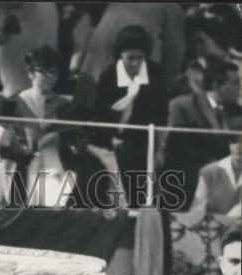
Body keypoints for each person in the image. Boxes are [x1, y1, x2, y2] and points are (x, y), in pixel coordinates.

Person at [94, 24, 168, 208]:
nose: (135, 63)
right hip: (113, 140)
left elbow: (161, 115)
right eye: (130, 58)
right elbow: (100, 117)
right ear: (120, 55)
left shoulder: (156, 75)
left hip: (145, 140)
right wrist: (112, 140)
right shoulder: (108, 77)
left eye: (139, 58)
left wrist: (160, 149)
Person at [166, 61, 242, 208]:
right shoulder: (182, 106)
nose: (240, 88)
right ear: (216, 85)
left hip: (227, 175)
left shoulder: (238, 112)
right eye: (235, 83)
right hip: (189, 174)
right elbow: (179, 147)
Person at [13, 46, 71, 152]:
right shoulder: (19, 101)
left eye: (54, 71)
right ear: (31, 73)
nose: (50, 76)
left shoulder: (63, 104)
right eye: (44, 71)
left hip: (53, 157)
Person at [191, 136, 242, 217]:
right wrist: (200, 210)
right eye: (234, 142)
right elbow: (197, 208)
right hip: (216, 227)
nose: (238, 146)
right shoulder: (209, 172)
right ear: (229, 144)